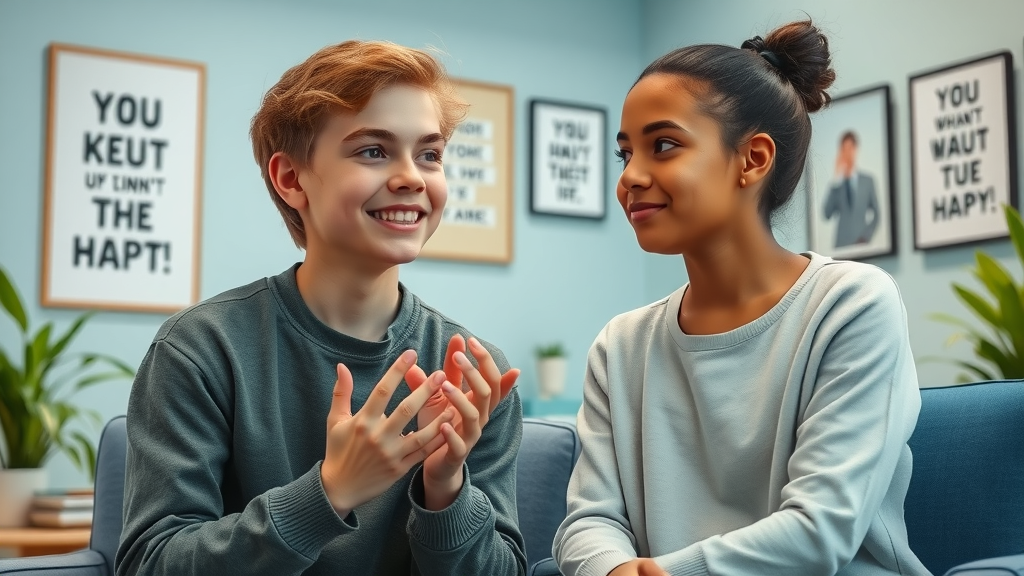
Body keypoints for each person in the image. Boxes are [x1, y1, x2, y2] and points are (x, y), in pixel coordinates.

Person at [115, 40, 526, 576]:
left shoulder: (470, 374)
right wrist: (330, 493)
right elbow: (152, 564)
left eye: (429, 154)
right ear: (291, 180)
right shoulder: (199, 351)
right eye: (373, 151)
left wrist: (446, 487)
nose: (412, 177)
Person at [552, 20, 930, 576]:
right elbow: (588, 522)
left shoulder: (850, 304)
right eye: (624, 154)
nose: (631, 176)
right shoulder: (621, 345)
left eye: (663, 145)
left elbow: (819, 529)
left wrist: (661, 573)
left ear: (752, 159)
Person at [823, 130, 880, 248]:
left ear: (855, 149)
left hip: (861, 244)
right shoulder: (837, 185)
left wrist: (865, 237)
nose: (847, 153)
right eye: (844, 149)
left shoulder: (868, 181)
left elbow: (877, 214)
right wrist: (836, 179)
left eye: (850, 148)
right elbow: (827, 214)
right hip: (840, 246)